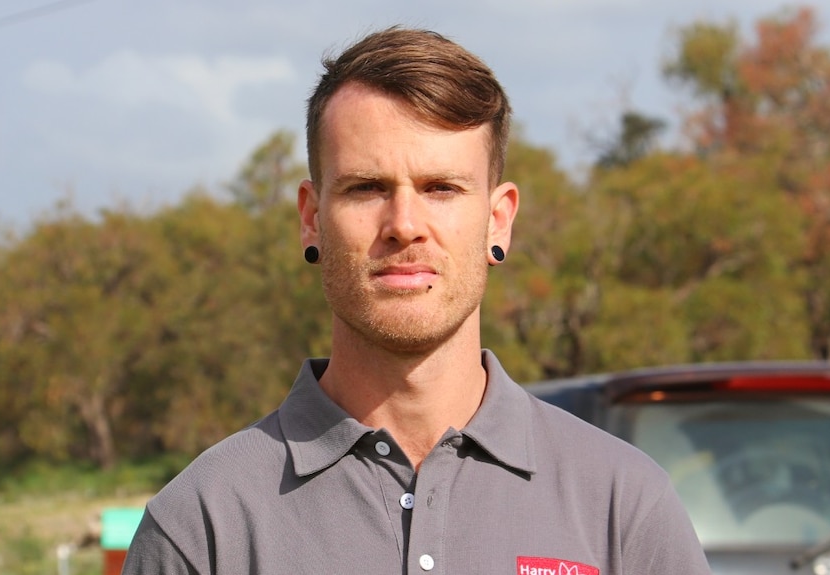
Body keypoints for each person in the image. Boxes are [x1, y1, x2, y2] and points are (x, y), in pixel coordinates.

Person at [122, 27, 711, 575]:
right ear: (311, 219)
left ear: (497, 221)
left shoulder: (624, 506)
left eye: (442, 188)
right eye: (366, 188)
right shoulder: (201, 526)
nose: (405, 225)